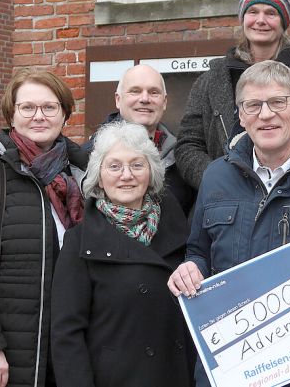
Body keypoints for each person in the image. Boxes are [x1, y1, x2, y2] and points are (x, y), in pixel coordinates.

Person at [167, 60, 290, 387]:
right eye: (253, 105)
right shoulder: (216, 176)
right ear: (241, 115)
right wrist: (189, 269)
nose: (266, 114)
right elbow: (199, 251)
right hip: (231, 369)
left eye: (277, 102)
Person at [0, 69, 88, 387]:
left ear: (64, 114)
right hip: (8, 355)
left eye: (49, 107)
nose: (39, 116)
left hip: (69, 350)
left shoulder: (83, 173)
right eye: (28, 107)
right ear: (12, 113)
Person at [52, 121, 194, 387]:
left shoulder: (181, 232)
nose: (126, 175)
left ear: (151, 173)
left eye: (137, 165)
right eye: (114, 166)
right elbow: (67, 334)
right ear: (99, 177)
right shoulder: (79, 243)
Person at [176, 0, 290, 190]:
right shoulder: (212, 80)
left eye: (271, 13)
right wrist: (219, 179)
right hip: (224, 200)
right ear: (243, 18)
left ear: (284, 21)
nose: (260, 20)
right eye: (253, 11)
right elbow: (188, 145)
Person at [85, 64, 196, 217]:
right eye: (135, 91)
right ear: (118, 99)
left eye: (154, 92)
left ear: (164, 102)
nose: (145, 99)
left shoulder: (183, 158)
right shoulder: (89, 155)